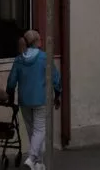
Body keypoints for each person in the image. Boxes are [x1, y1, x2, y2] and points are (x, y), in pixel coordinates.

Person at [6, 30, 61, 169]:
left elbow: (11, 82)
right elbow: (55, 78)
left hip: (24, 100)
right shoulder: (44, 58)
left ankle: (38, 163)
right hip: (41, 99)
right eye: (40, 39)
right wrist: (58, 94)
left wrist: (11, 97)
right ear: (37, 41)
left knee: (33, 132)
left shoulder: (19, 59)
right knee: (40, 130)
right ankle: (31, 159)